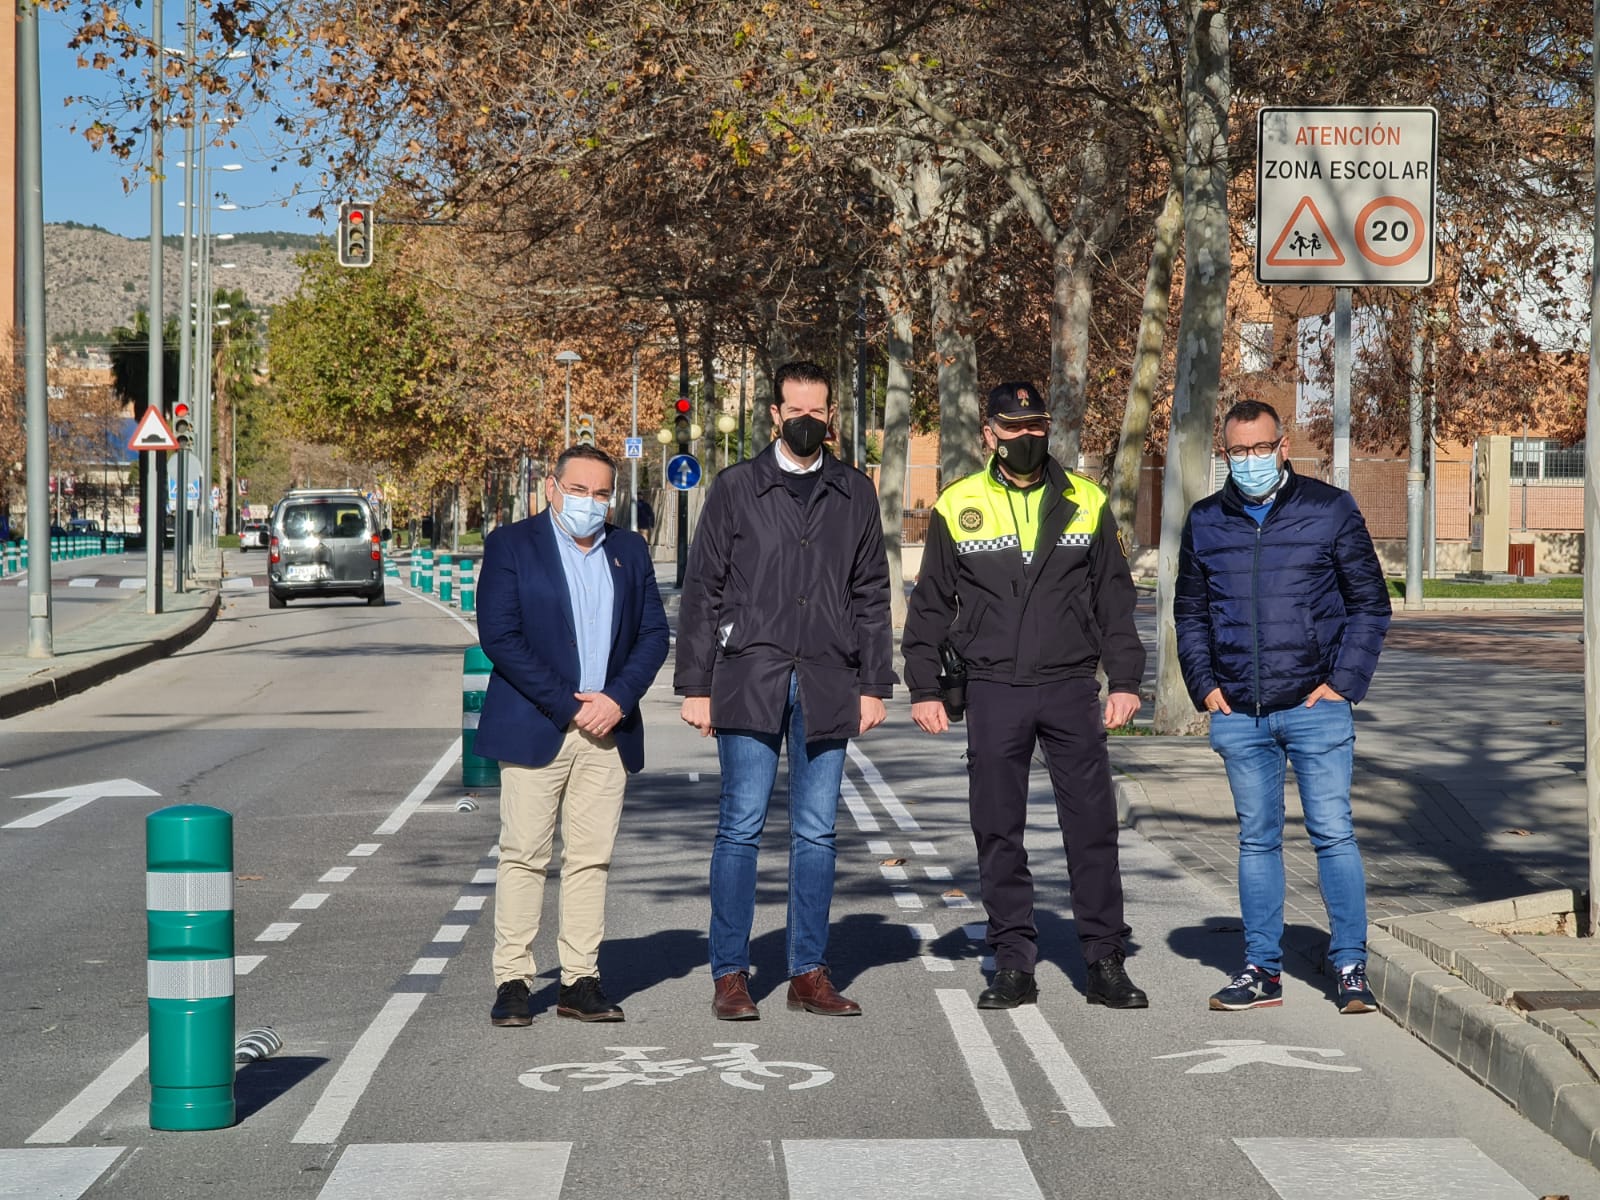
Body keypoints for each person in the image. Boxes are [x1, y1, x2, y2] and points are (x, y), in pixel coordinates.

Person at [903, 381, 1149, 1012]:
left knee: (1093, 828)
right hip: (992, 689)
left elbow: (1115, 603)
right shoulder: (959, 504)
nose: (1025, 438)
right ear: (990, 433)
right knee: (997, 829)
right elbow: (929, 604)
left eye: (1035, 426)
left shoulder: (1087, 501)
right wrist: (923, 686)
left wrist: (1124, 680)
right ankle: (1013, 961)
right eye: (1012, 428)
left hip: (1070, 686)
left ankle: (1104, 959)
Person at [676, 359, 895, 1021]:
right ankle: (730, 974)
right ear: (773, 414)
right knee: (739, 830)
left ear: (832, 416)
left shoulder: (855, 492)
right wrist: (695, 685)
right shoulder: (737, 488)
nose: (805, 421)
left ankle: (807, 971)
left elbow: (872, 594)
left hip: (829, 680)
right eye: (793, 410)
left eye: (816, 411)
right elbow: (703, 589)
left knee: (817, 834)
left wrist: (875, 682)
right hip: (749, 675)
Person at [1174, 398, 1391, 1014]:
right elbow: (1189, 611)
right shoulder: (1207, 519)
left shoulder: (1329, 510)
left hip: (1315, 704)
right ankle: (1260, 969)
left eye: (1258, 448)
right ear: (1225, 453)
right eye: (1236, 452)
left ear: (1282, 445)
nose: (1248, 461)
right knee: (1256, 839)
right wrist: (1205, 686)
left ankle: (1349, 965)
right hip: (1239, 710)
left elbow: (1370, 605)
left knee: (1332, 833)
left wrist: (1344, 682)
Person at [475, 443, 670, 1026]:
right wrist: (569, 705)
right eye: (579, 490)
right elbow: (500, 636)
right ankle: (514, 979)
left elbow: (654, 635)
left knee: (591, 859)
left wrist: (617, 698)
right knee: (524, 856)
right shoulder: (512, 545)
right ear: (553, 489)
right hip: (539, 723)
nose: (590, 502)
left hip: (609, 729)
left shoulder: (629, 551)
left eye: (602, 493)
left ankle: (580, 980)